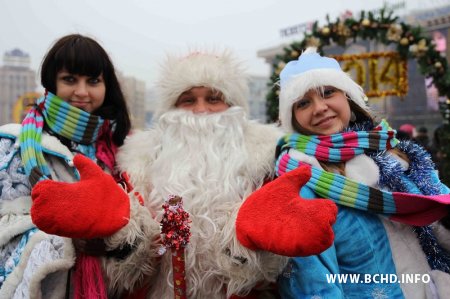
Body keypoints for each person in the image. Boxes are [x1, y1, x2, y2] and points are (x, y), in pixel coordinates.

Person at [27, 48, 338, 298]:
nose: (200, 110)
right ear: (170, 109)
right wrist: (122, 230)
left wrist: (250, 240)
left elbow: (276, 267)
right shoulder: (139, 161)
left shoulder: (267, 157)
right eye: (188, 99)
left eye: (213, 98)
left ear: (233, 105)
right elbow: (128, 270)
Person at [248, 48, 450, 298]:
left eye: (328, 92)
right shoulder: (302, 182)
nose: (320, 108)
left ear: (348, 97)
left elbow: (439, 226)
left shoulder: (391, 152)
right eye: (303, 103)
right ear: (294, 118)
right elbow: (314, 287)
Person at [0, 34, 131, 298]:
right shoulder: (14, 143)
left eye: (93, 81)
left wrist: (117, 242)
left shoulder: (120, 151)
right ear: (52, 83)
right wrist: (71, 234)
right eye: (70, 79)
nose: (82, 92)